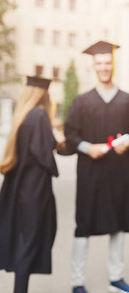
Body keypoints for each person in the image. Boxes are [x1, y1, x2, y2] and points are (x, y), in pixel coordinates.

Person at [63, 41, 129, 293]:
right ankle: (76, 281)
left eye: (108, 63)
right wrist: (87, 147)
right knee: (84, 224)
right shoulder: (82, 102)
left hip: (120, 173)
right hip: (91, 174)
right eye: (100, 63)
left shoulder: (127, 100)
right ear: (93, 66)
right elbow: (70, 135)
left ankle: (116, 277)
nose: (104, 67)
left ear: (113, 65)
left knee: (118, 222)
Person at [0, 76, 65, 293]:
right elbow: (41, 152)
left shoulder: (24, 114)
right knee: (28, 245)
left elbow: (34, 146)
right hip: (34, 191)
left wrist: (52, 143)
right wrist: (54, 146)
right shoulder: (38, 114)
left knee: (23, 243)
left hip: (20, 188)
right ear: (43, 94)